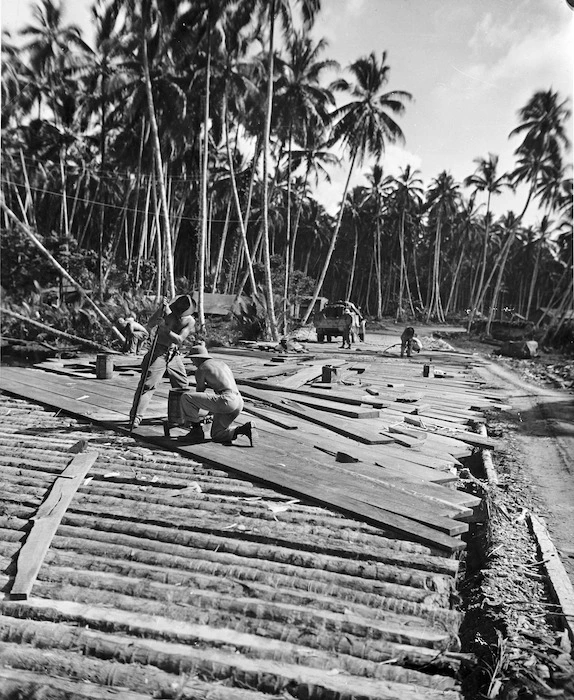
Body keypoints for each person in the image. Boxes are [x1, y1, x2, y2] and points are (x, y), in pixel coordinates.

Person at [129, 295, 196, 428]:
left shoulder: (189, 321)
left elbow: (179, 340)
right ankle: (136, 417)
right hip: (158, 351)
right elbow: (150, 324)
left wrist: (165, 328)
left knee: (182, 385)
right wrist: (160, 311)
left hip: (173, 354)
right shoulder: (167, 313)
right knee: (147, 385)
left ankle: (181, 417)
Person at [178, 344, 254, 446]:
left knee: (186, 398)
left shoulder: (201, 369)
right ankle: (242, 429)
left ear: (197, 358)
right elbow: (218, 394)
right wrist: (210, 412)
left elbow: (199, 393)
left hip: (226, 400)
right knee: (217, 435)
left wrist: (191, 418)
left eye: (192, 359)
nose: (192, 362)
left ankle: (196, 431)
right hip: (238, 401)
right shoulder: (221, 364)